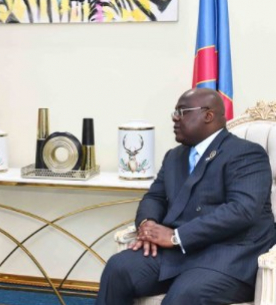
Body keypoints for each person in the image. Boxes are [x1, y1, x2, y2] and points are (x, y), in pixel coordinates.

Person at [96, 88, 276, 305]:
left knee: (184, 295)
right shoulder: (174, 156)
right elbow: (154, 197)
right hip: (177, 254)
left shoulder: (246, 153)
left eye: (182, 112)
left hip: (228, 255)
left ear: (208, 115)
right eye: (175, 112)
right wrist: (148, 225)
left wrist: (175, 236)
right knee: (119, 268)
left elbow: (242, 210)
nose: (174, 118)